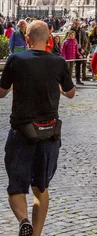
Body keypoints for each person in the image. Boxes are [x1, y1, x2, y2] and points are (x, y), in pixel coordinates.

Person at [0, 20, 75, 236]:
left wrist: (14, 84)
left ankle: (24, 221)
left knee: (16, 186)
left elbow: (2, 91)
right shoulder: (58, 62)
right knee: (41, 188)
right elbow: (70, 93)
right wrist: (60, 89)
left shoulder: (16, 59)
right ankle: (36, 234)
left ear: (27, 39)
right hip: (49, 132)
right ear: (49, 38)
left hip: (21, 131)